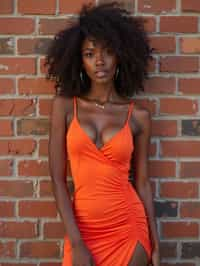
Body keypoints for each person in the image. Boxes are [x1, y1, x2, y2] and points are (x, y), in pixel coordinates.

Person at [46, 2, 160, 266]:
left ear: (121, 56)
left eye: (108, 51)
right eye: (89, 53)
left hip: (128, 229)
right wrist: (76, 243)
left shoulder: (138, 117)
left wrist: (156, 242)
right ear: (79, 61)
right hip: (82, 231)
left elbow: (142, 183)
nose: (100, 61)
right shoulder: (64, 107)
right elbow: (58, 180)